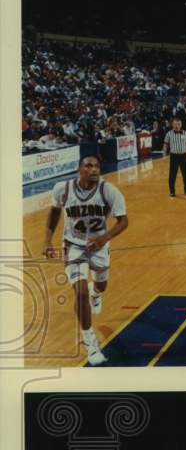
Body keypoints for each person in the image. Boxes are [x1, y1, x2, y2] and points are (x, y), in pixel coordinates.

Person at [43, 154, 128, 365]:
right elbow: (54, 213)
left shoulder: (108, 190)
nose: (94, 169)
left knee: (101, 285)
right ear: (79, 169)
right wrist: (47, 240)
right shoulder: (62, 189)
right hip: (73, 246)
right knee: (80, 293)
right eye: (89, 166)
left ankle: (96, 293)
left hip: (99, 246)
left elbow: (123, 221)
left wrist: (103, 239)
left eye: (97, 166)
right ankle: (90, 343)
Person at [164, 117, 186, 197]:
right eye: (175, 124)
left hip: (183, 156)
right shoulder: (169, 134)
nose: (177, 126)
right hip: (174, 156)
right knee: (172, 175)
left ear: (181, 125)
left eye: (179, 124)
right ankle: (172, 191)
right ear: (172, 125)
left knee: (185, 174)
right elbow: (165, 144)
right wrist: (164, 154)